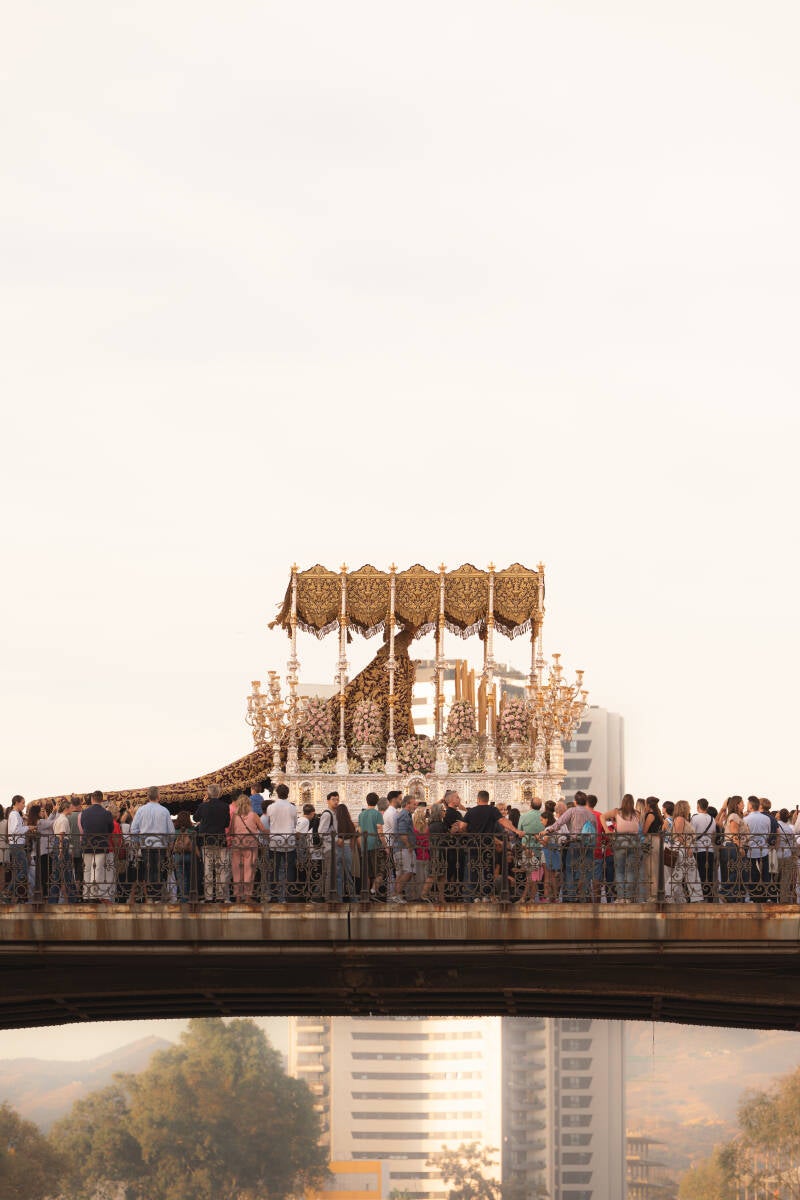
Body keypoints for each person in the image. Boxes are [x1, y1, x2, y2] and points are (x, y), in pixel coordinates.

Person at [130, 786, 174, 901]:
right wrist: (169, 843)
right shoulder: (164, 811)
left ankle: (150, 897)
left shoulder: (141, 810)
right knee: (159, 871)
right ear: (159, 797)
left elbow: (133, 829)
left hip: (146, 846)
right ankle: (157, 897)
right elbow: (171, 832)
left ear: (148, 797)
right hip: (161, 846)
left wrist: (138, 842)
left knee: (148, 870)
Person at [195, 783, 231, 902]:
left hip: (206, 841)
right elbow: (226, 824)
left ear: (208, 793)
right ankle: (220, 896)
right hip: (220, 841)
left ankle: (209, 897)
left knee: (208, 869)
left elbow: (195, 818)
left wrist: (203, 803)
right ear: (219, 793)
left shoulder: (203, 806)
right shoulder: (225, 806)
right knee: (221, 869)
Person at [262, 783, 298, 902]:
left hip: (275, 842)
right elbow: (294, 823)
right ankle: (289, 895)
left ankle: (274, 895)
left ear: (277, 793)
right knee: (289, 869)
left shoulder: (271, 807)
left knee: (274, 870)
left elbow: (270, 821)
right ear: (288, 794)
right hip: (289, 841)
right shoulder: (293, 807)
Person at [603, 794, 641, 903]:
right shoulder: (637, 814)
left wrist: (606, 830)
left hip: (620, 841)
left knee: (619, 871)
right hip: (634, 842)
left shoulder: (616, 812)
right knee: (630, 871)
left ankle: (620, 897)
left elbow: (602, 817)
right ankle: (628, 898)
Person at [80, 791, 115, 902]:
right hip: (101, 845)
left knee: (87, 869)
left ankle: (86, 895)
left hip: (87, 844)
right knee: (97, 870)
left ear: (92, 799)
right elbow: (111, 829)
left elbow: (83, 825)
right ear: (102, 799)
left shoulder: (84, 813)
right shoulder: (107, 813)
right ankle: (93, 896)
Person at [667, 800, 703, 902]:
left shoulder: (680, 819)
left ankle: (669, 894)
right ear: (684, 808)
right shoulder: (680, 819)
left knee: (686, 873)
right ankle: (695, 898)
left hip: (684, 848)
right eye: (688, 806)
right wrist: (688, 847)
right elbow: (679, 835)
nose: (690, 808)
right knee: (684, 873)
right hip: (683, 849)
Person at [229, 793, 263, 902]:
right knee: (249, 871)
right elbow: (262, 829)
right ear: (249, 803)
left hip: (237, 845)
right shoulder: (254, 815)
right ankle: (248, 897)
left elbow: (231, 832)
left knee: (237, 871)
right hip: (251, 846)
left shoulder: (235, 815)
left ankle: (238, 898)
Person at [358, 793, 386, 898]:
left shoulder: (361, 814)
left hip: (364, 845)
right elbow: (380, 830)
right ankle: (373, 891)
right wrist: (385, 846)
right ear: (377, 802)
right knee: (380, 871)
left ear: (366, 800)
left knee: (367, 872)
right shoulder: (377, 814)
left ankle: (366, 894)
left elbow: (360, 831)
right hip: (375, 845)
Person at [743, 795, 771, 902]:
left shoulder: (745, 819)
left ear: (750, 806)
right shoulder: (767, 818)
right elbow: (768, 834)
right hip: (763, 850)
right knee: (765, 874)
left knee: (752, 875)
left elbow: (744, 836)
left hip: (750, 851)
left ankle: (754, 896)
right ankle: (765, 896)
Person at [391, 795, 417, 903]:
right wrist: (408, 844)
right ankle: (396, 894)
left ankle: (397, 895)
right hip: (404, 848)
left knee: (401, 873)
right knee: (409, 871)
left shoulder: (402, 814)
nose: (415, 806)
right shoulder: (405, 814)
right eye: (414, 804)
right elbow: (402, 831)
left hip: (400, 847)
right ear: (407, 804)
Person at [518, 797, 545, 903]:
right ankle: (532, 898)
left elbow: (519, 831)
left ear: (530, 805)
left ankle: (525, 898)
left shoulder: (524, 816)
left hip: (527, 848)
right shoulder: (544, 817)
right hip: (540, 849)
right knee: (536, 876)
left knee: (530, 876)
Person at [691, 798, 717, 901]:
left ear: (698, 806)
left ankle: (699, 897)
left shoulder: (695, 818)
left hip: (698, 849)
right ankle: (709, 897)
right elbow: (714, 835)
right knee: (709, 874)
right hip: (709, 849)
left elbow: (692, 834)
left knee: (699, 874)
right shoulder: (712, 819)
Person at [6, 796, 28, 902]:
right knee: (24, 870)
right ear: (16, 803)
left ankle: (11, 896)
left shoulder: (15, 814)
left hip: (16, 845)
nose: (24, 805)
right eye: (23, 803)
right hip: (17, 845)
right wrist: (29, 827)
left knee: (20, 871)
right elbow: (15, 830)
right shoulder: (14, 814)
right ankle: (8, 892)